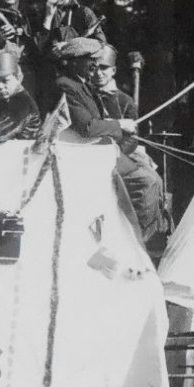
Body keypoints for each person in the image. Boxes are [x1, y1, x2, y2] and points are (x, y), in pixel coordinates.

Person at [54, 37, 170, 255]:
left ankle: (135, 243)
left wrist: (118, 134)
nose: (95, 67)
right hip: (86, 155)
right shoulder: (67, 85)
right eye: (90, 60)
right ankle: (132, 246)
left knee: (151, 182)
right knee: (147, 181)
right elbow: (87, 127)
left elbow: (126, 136)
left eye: (98, 63)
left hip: (106, 152)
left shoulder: (84, 87)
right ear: (74, 61)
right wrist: (119, 125)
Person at [33, 0, 106, 88]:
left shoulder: (84, 13)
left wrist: (68, 47)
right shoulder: (42, 15)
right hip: (50, 82)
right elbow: (37, 50)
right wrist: (48, 18)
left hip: (80, 81)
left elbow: (100, 44)